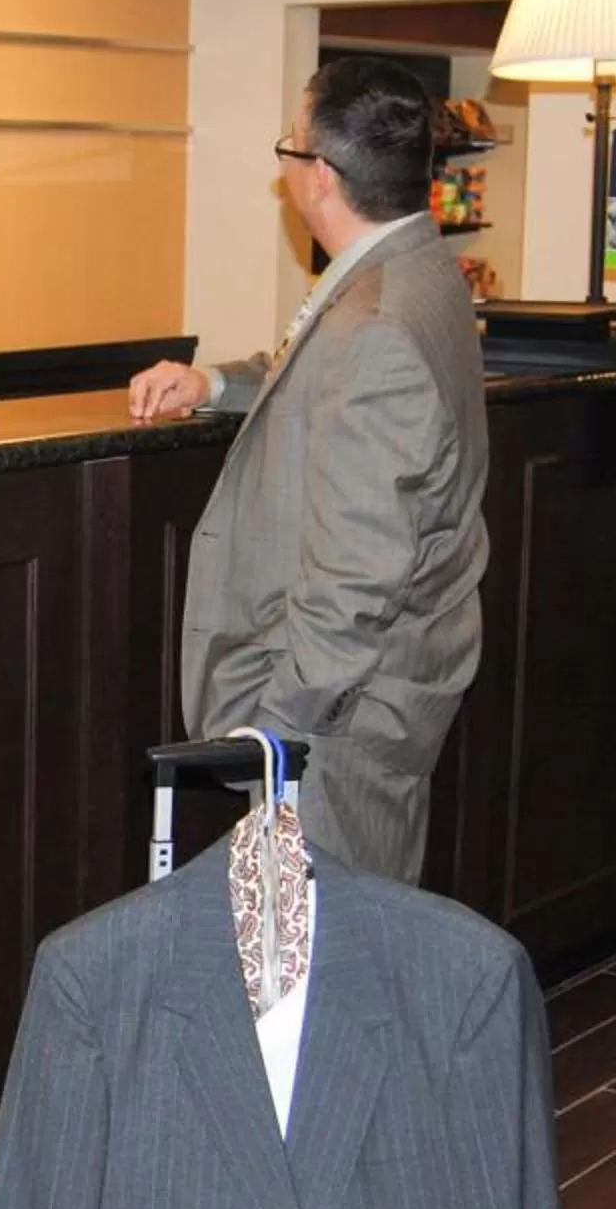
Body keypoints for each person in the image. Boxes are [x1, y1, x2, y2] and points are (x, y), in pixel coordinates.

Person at [126, 56, 487, 884]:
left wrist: (276, 730)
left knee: (334, 955)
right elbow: (318, 369)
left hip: (342, 717)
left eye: (288, 148)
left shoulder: (379, 327)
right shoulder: (417, 272)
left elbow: (354, 576)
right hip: (386, 683)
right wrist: (213, 382)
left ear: (319, 176)